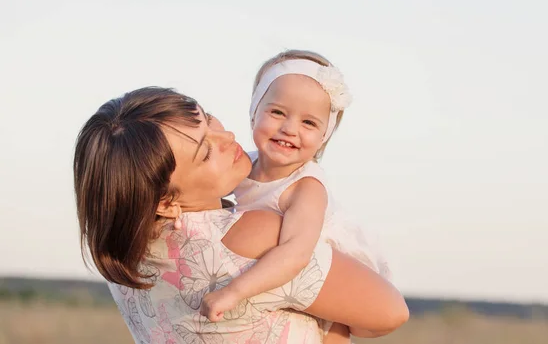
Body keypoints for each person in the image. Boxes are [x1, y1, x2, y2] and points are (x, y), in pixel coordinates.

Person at [73, 87, 408, 344]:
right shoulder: (254, 237)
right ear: (164, 201)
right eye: (206, 152)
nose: (228, 137)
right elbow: (390, 312)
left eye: (209, 118)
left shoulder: (124, 254)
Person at [200, 50, 392, 343]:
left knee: (330, 330)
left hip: (326, 273)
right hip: (278, 270)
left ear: (323, 136)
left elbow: (296, 253)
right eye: (277, 112)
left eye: (309, 123)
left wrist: (233, 291)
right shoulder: (243, 165)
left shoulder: (306, 187)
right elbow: (202, 193)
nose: (290, 129)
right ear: (254, 113)